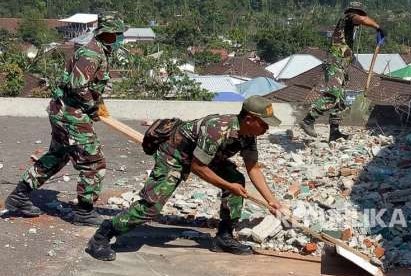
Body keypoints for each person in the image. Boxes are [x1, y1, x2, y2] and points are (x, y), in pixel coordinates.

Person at [86, 96, 283, 261]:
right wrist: (227, 186)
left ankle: (224, 237)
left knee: (236, 178)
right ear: (249, 119)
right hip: (175, 155)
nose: (267, 128)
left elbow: (253, 168)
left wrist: (271, 201)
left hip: (204, 156)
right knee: (151, 207)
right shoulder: (216, 129)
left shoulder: (249, 135)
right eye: (265, 124)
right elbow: (198, 168)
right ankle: (102, 236)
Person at [4, 13, 126, 227]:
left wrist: (98, 105)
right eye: (117, 34)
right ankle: (84, 212)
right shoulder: (91, 53)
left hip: (65, 111)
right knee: (93, 162)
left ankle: (19, 197)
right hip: (71, 114)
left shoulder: (96, 50)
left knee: (57, 156)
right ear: (107, 34)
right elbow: (78, 86)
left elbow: (88, 86)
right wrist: (92, 106)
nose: (120, 39)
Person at [300, 1, 385, 141]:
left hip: (342, 65)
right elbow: (360, 19)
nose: (361, 19)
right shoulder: (349, 17)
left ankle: (334, 132)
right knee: (333, 95)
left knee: (339, 100)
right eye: (361, 14)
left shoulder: (349, 28)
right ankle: (308, 120)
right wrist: (378, 27)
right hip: (335, 63)